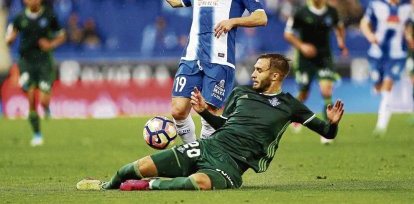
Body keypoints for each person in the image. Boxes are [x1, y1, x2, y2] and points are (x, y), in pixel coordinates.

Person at [76, 53, 344, 191]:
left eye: (259, 70)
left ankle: (147, 187)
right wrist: (204, 112)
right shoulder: (241, 93)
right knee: (136, 166)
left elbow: (327, 132)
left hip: (232, 165)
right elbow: (226, 124)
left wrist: (332, 123)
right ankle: (106, 185)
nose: (252, 74)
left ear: (275, 76)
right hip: (207, 147)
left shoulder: (290, 105)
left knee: (198, 184)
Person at [145, 0, 267, 143]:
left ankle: (205, 161)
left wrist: (233, 21)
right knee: (177, 111)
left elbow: (261, 17)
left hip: (219, 60)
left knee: (209, 114)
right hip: (191, 58)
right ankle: (192, 153)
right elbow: (175, 0)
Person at [284, 0, 348, 144]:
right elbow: (288, 34)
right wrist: (302, 46)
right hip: (305, 59)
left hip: (324, 57)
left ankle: (326, 128)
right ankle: (295, 116)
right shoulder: (300, 12)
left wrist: (341, 41)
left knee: (326, 90)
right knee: (304, 92)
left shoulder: (332, 12)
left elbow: (339, 26)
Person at [5, 0, 66, 146]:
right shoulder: (19, 18)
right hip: (26, 61)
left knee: (44, 100)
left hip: (45, 61)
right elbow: (9, 35)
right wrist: (9, 40)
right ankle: (37, 134)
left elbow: (62, 35)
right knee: (31, 96)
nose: (33, 0)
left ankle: (46, 107)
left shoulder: (49, 15)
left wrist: (51, 44)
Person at [360, 0, 414, 136]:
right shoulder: (376, 6)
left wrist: (410, 37)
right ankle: (388, 99)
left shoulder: (407, 9)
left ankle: (381, 126)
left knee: (387, 86)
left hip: (397, 55)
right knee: (378, 87)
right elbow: (364, 23)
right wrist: (369, 35)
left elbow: (409, 27)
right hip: (376, 54)